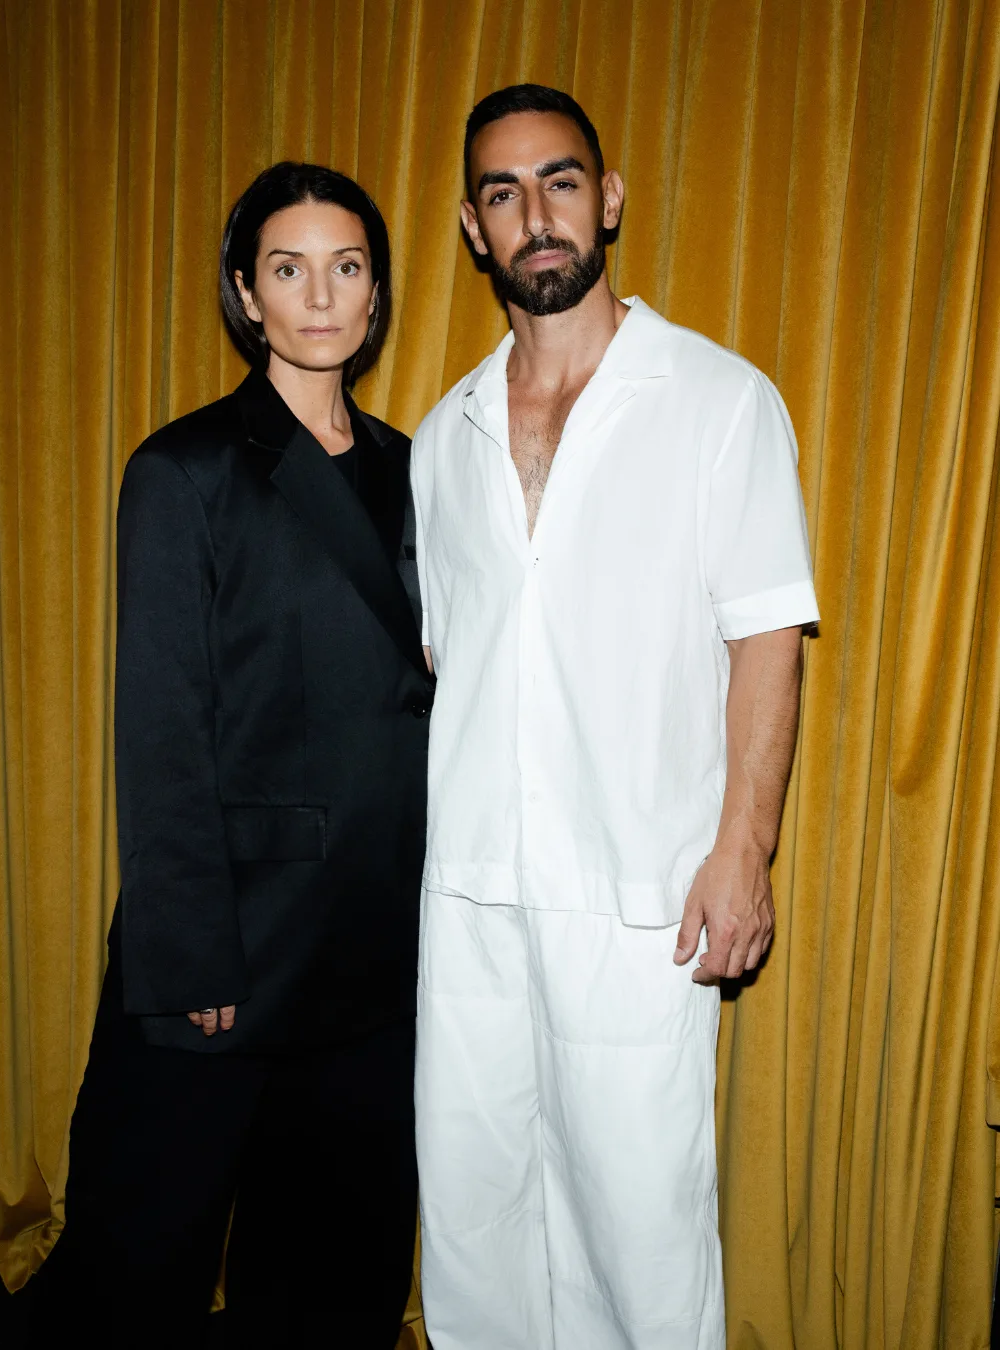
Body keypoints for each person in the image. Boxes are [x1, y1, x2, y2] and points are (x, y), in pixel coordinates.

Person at [410, 85, 820, 1350]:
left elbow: (767, 636)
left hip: (641, 895)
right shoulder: (444, 436)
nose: (536, 215)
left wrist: (742, 850)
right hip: (471, 891)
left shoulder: (720, 401)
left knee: (639, 1234)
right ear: (476, 230)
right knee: (475, 1223)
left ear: (611, 199)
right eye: (502, 191)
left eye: (561, 181)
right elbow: (448, 659)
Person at [35, 162, 432, 1347]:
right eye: (289, 268)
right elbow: (163, 730)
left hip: (376, 950)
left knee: (334, 1272)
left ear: (377, 294)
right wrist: (189, 956)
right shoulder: (182, 471)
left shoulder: (422, 472)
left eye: (348, 266)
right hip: (230, 951)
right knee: (139, 1262)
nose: (321, 295)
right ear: (247, 294)